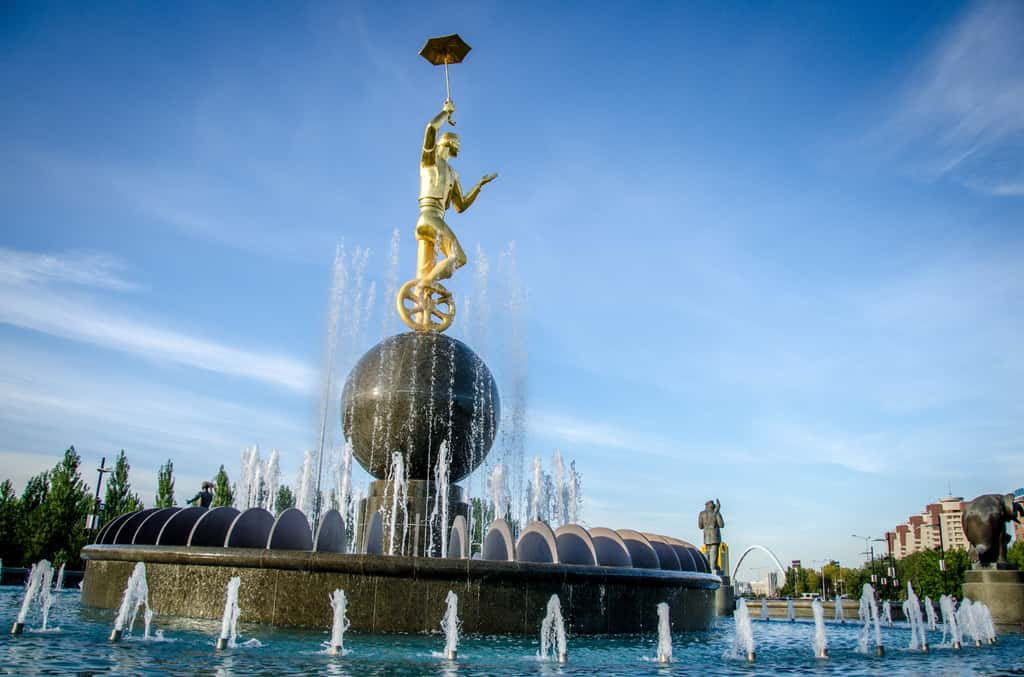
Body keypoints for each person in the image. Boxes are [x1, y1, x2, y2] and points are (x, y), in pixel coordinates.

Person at [415, 99, 497, 287]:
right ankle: (425, 284)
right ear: (449, 142)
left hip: (437, 220)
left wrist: (479, 185)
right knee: (458, 258)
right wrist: (445, 112)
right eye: (457, 142)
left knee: (436, 264)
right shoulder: (429, 161)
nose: (459, 146)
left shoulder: (453, 174)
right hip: (428, 217)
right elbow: (430, 128)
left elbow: (460, 206)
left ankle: (425, 290)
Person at [698, 499, 725, 574]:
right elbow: (721, 525)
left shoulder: (701, 514)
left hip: (706, 536)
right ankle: (713, 567)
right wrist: (717, 512)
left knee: (707, 552)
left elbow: (700, 526)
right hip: (715, 536)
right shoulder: (716, 513)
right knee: (714, 551)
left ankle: (707, 567)